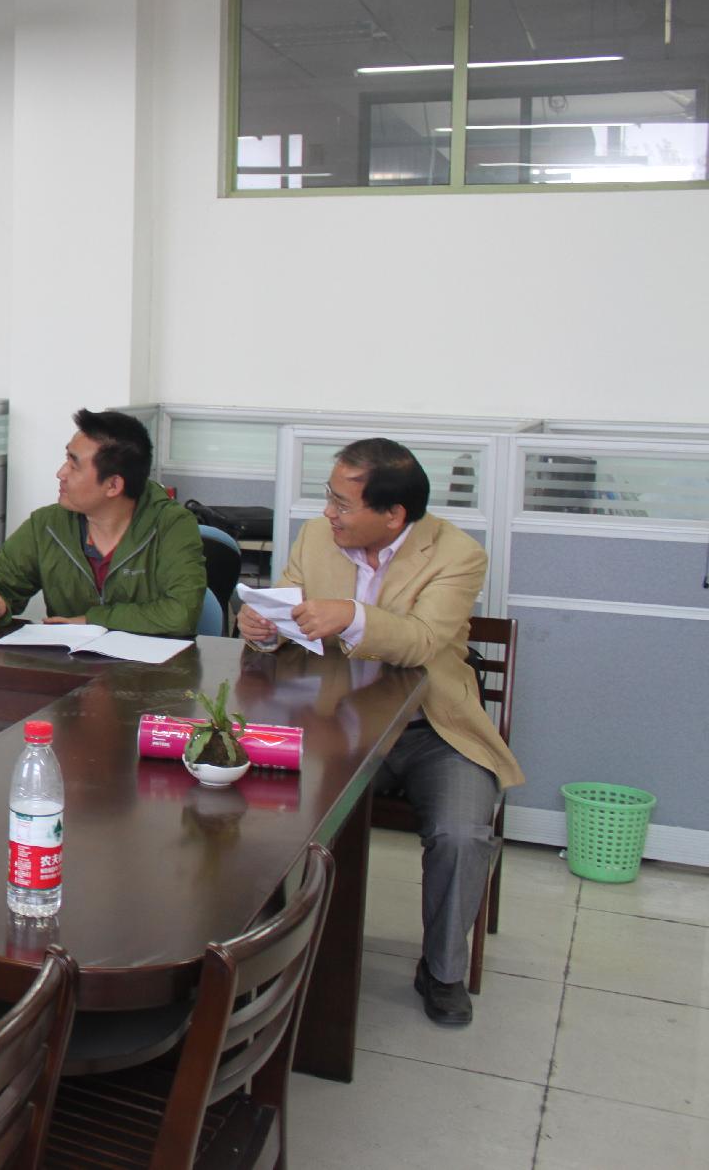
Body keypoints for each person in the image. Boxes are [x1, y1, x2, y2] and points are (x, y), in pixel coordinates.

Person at [238, 438, 521, 1028]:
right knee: (261, 807)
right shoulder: (317, 538)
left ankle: (442, 971)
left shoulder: (458, 554)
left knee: (461, 834)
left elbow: (422, 641)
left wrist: (352, 615)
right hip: (331, 723)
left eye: (342, 504)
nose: (328, 514)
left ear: (393, 515)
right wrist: (262, 627)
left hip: (429, 728)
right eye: (329, 498)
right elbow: (286, 614)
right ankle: (258, 955)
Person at [0, 409, 205, 636]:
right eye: (66, 459)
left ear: (113, 485)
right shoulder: (47, 525)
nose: (61, 473)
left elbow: (181, 614)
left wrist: (92, 621)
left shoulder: (173, 525)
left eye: (74, 466)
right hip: (68, 665)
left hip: (149, 669)